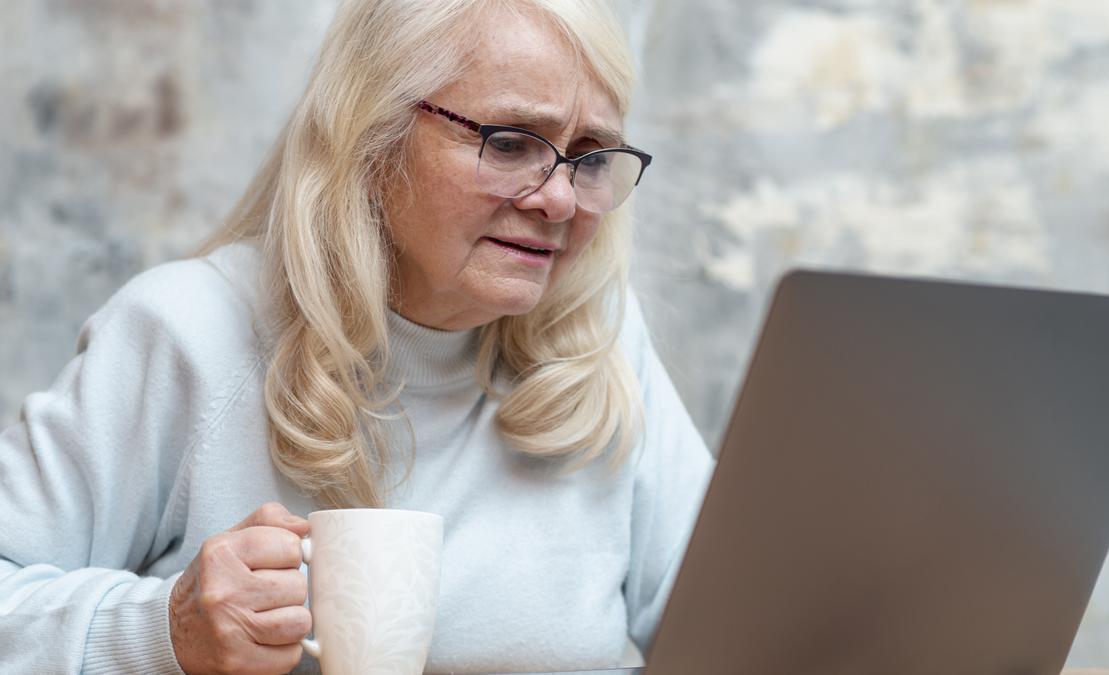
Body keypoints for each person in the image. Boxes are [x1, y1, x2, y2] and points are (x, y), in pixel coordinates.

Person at [0, 0, 713, 673]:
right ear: (371, 136)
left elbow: (735, 625)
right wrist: (164, 628)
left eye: (591, 157)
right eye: (508, 143)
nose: (558, 198)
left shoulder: (604, 341)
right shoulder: (187, 329)